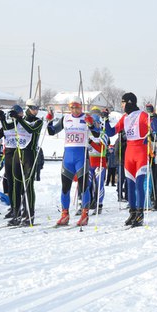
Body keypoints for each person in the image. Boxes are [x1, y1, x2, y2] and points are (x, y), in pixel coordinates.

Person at [104, 92, 157, 227]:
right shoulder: (125, 117)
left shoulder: (142, 115)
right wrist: (106, 119)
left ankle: (140, 214)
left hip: (140, 152)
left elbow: (156, 130)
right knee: (129, 185)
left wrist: (152, 117)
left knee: (139, 184)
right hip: (129, 153)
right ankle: (133, 212)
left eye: (123, 103)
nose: (122, 105)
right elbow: (111, 132)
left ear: (129, 102)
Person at [47, 96, 94, 226]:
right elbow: (51, 132)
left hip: (81, 157)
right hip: (68, 157)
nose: (75, 110)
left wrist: (91, 124)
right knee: (65, 188)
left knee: (84, 187)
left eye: (77, 107)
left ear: (81, 107)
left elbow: (97, 134)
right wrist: (49, 121)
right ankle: (65, 215)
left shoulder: (86, 118)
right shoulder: (65, 119)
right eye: (72, 107)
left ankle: (85, 214)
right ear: (69, 108)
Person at [8, 98, 43, 226]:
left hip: (30, 154)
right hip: (18, 152)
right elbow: (7, 128)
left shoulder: (38, 121)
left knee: (28, 185)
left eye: (37, 108)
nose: (36, 110)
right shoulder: (20, 120)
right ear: (28, 108)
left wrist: (19, 119)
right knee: (17, 184)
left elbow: (31, 130)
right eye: (34, 108)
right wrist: (1, 118)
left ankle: (29, 215)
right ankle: (16, 213)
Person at [87, 112, 109, 215]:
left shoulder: (103, 134)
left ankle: (99, 204)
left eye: (95, 123)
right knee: (87, 184)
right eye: (92, 123)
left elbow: (102, 149)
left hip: (100, 163)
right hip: (90, 162)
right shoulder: (88, 133)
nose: (94, 124)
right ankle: (86, 204)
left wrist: (91, 142)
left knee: (99, 184)